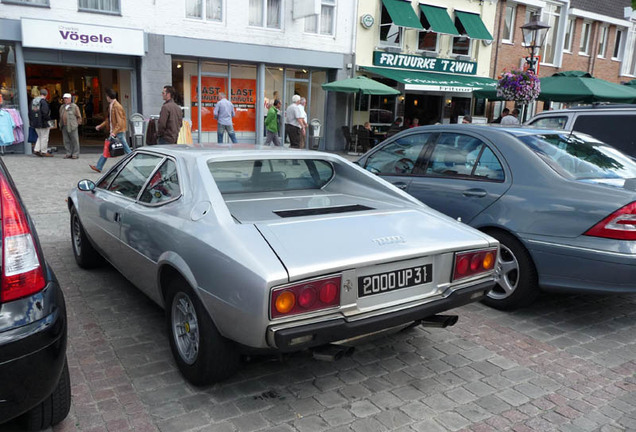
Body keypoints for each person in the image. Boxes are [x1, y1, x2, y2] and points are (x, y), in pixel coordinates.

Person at [89, 88, 133, 173]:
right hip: (117, 131)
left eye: (106, 96)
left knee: (108, 148)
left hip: (117, 132)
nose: (106, 97)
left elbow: (119, 122)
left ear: (108, 97)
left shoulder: (116, 106)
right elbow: (109, 120)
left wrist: (113, 133)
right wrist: (100, 126)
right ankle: (99, 166)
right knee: (125, 149)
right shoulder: (112, 105)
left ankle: (99, 166)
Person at [29, 88, 52, 157]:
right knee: (44, 137)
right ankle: (44, 151)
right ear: (46, 94)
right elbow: (45, 113)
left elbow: (30, 112)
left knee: (39, 136)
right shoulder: (43, 102)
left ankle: (36, 149)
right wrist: (49, 119)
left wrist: (32, 121)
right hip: (43, 122)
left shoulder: (33, 101)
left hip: (35, 122)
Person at [58, 93, 82, 159]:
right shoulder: (62, 107)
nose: (65, 99)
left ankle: (75, 153)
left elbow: (79, 116)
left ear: (70, 99)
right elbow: (60, 115)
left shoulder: (74, 106)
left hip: (72, 126)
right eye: (64, 98)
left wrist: (77, 124)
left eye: (67, 98)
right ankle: (68, 153)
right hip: (64, 126)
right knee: (66, 140)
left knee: (74, 140)